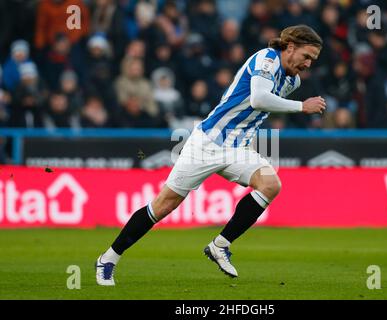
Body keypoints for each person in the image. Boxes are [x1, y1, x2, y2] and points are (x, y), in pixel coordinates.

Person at [95, 25, 326, 286]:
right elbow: (259, 100)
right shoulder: (266, 59)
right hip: (207, 142)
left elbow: (260, 108)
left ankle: (220, 245)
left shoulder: (292, 81)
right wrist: (301, 107)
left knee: (271, 185)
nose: (308, 64)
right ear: (291, 47)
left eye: (313, 60)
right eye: (306, 56)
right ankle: (108, 259)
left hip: (238, 148)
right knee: (163, 206)